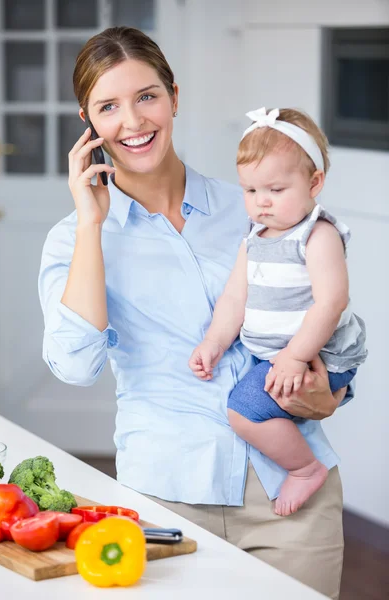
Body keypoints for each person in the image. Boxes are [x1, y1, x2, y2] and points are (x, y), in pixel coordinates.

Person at [38, 26, 352, 599]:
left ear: (174, 98)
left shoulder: (258, 204)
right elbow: (73, 365)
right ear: (88, 120)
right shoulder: (74, 240)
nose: (132, 122)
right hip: (166, 497)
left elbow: (331, 317)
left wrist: (330, 392)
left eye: (147, 96)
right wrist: (90, 222)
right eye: (109, 106)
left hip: (289, 495)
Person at [189, 107, 367, 517]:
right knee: (253, 403)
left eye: (275, 189)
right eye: (250, 191)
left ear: (314, 182)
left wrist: (294, 356)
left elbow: (331, 302)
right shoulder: (254, 239)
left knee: (244, 411)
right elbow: (235, 298)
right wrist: (215, 341)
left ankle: (305, 469)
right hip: (280, 355)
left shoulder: (317, 236)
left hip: (321, 354)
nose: (261, 202)